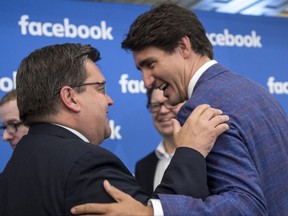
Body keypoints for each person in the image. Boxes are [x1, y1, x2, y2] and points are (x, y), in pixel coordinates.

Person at [71, 3, 288, 216]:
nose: (146, 81)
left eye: (150, 64)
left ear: (183, 47)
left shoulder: (201, 106)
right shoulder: (254, 89)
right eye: (141, 69)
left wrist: (152, 212)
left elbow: (245, 206)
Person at [0, 43, 229, 215]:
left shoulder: (13, 169)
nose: (109, 100)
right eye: (100, 89)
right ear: (69, 97)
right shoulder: (85, 164)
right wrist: (190, 151)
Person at [135, 87, 184, 196]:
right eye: (156, 106)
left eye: (170, 103)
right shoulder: (143, 167)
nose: (162, 111)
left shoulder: (205, 157)